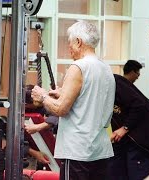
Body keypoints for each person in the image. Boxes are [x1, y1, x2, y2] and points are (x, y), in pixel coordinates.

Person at [31, 20, 116, 180]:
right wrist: (63, 92)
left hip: (78, 151)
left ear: (78, 42)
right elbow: (90, 98)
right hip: (100, 150)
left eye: (69, 43)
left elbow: (61, 109)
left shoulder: (78, 67)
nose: (68, 48)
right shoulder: (106, 68)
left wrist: (43, 96)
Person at [107, 60, 149, 180]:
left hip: (142, 136)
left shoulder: (115, 82)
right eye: (138, 72)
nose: (138, 75)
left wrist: (124, 128)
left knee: (136, 171)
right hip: (127, 136)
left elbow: (139, 105)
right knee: (116, 168)